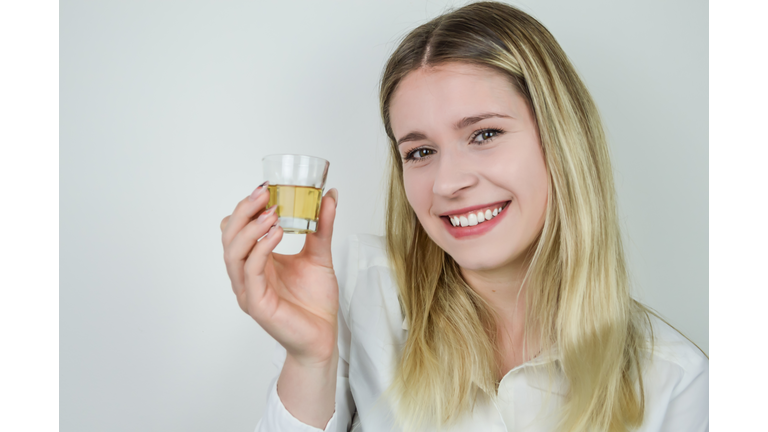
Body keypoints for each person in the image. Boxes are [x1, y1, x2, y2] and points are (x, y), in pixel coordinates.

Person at [219, 2, 708, 431]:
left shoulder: (676, 383)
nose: (448, 182)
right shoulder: (364, 293)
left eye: (485, 135)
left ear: (562, 139)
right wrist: (310, 359)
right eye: (421, 151)